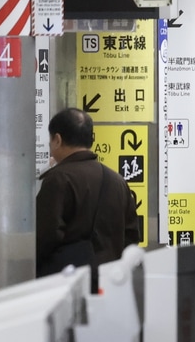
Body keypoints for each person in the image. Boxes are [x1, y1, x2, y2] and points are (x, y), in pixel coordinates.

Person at [36, 108, 142, 288]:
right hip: (110, 283)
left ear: (57, 140)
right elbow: (131, 237)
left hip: (67, 285)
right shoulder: (117, 181)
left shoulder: (58, 179)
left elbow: (46, 235)